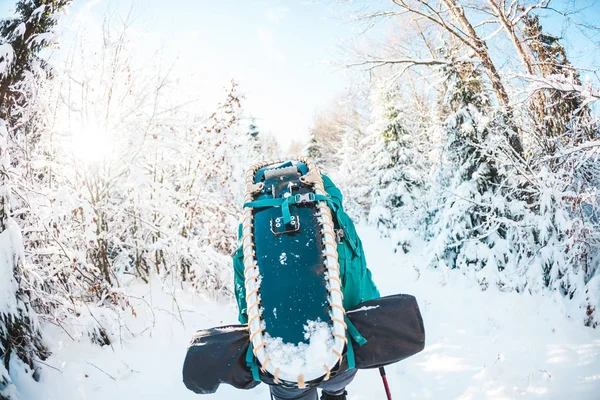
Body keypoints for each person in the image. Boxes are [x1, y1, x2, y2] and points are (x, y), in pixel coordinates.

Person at [233, 170, 380, 400]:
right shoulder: (333, 218)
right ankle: (335, 394)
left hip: (280, 361)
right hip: (339, 351)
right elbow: (359, 277)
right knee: (336, 387)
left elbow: (246, 299)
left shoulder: (252, 226)